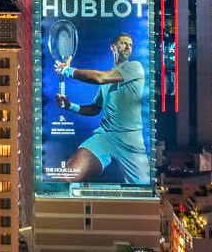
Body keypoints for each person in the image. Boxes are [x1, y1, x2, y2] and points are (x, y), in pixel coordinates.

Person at [53, 32, 151, 184]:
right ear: (113, 47)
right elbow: (94, 109)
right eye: (123, 43)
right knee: (67, 176)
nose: (128, 47)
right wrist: (69, 106)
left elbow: (99, 78)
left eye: (130, 45)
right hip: (105, 136)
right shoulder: (107, 78)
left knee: (144, 192)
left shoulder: (135, 67)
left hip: (131, 141)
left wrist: (67, 71)